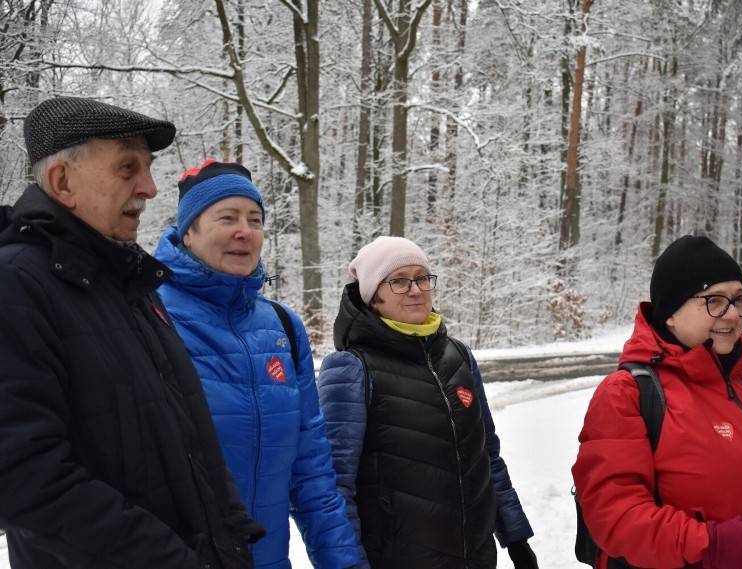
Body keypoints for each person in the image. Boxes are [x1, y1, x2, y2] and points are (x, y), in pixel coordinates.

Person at [0, 97, 265, 568]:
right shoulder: (16, 284)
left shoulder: (131, 285)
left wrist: (231, 535)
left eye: (148, 168)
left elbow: (191, 434)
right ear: (63, 182)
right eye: (128, 168)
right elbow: (25, 475)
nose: (150, 187)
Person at [571, 235, 742, 569]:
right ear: (670, 312)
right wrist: (707, 545)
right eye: (714, 301)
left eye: (738, 299)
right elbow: (613, 516)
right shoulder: (628, 394)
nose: (732, 316)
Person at [154, 159, 360, 569]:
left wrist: (344, 563)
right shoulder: (148, 316)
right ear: (188, 232)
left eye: (255, 219)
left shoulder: (283, 327)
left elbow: (311, 470)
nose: (244, 232)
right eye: (226, 217)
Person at [316, 236, 538, 569]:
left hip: (475, 557)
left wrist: (515, 535)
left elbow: (487, 454)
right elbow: (333, 485)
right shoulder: (352, 367)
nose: (416, 289)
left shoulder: (458, 356)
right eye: (399, 281)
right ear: (373, 296)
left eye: (421, 277)